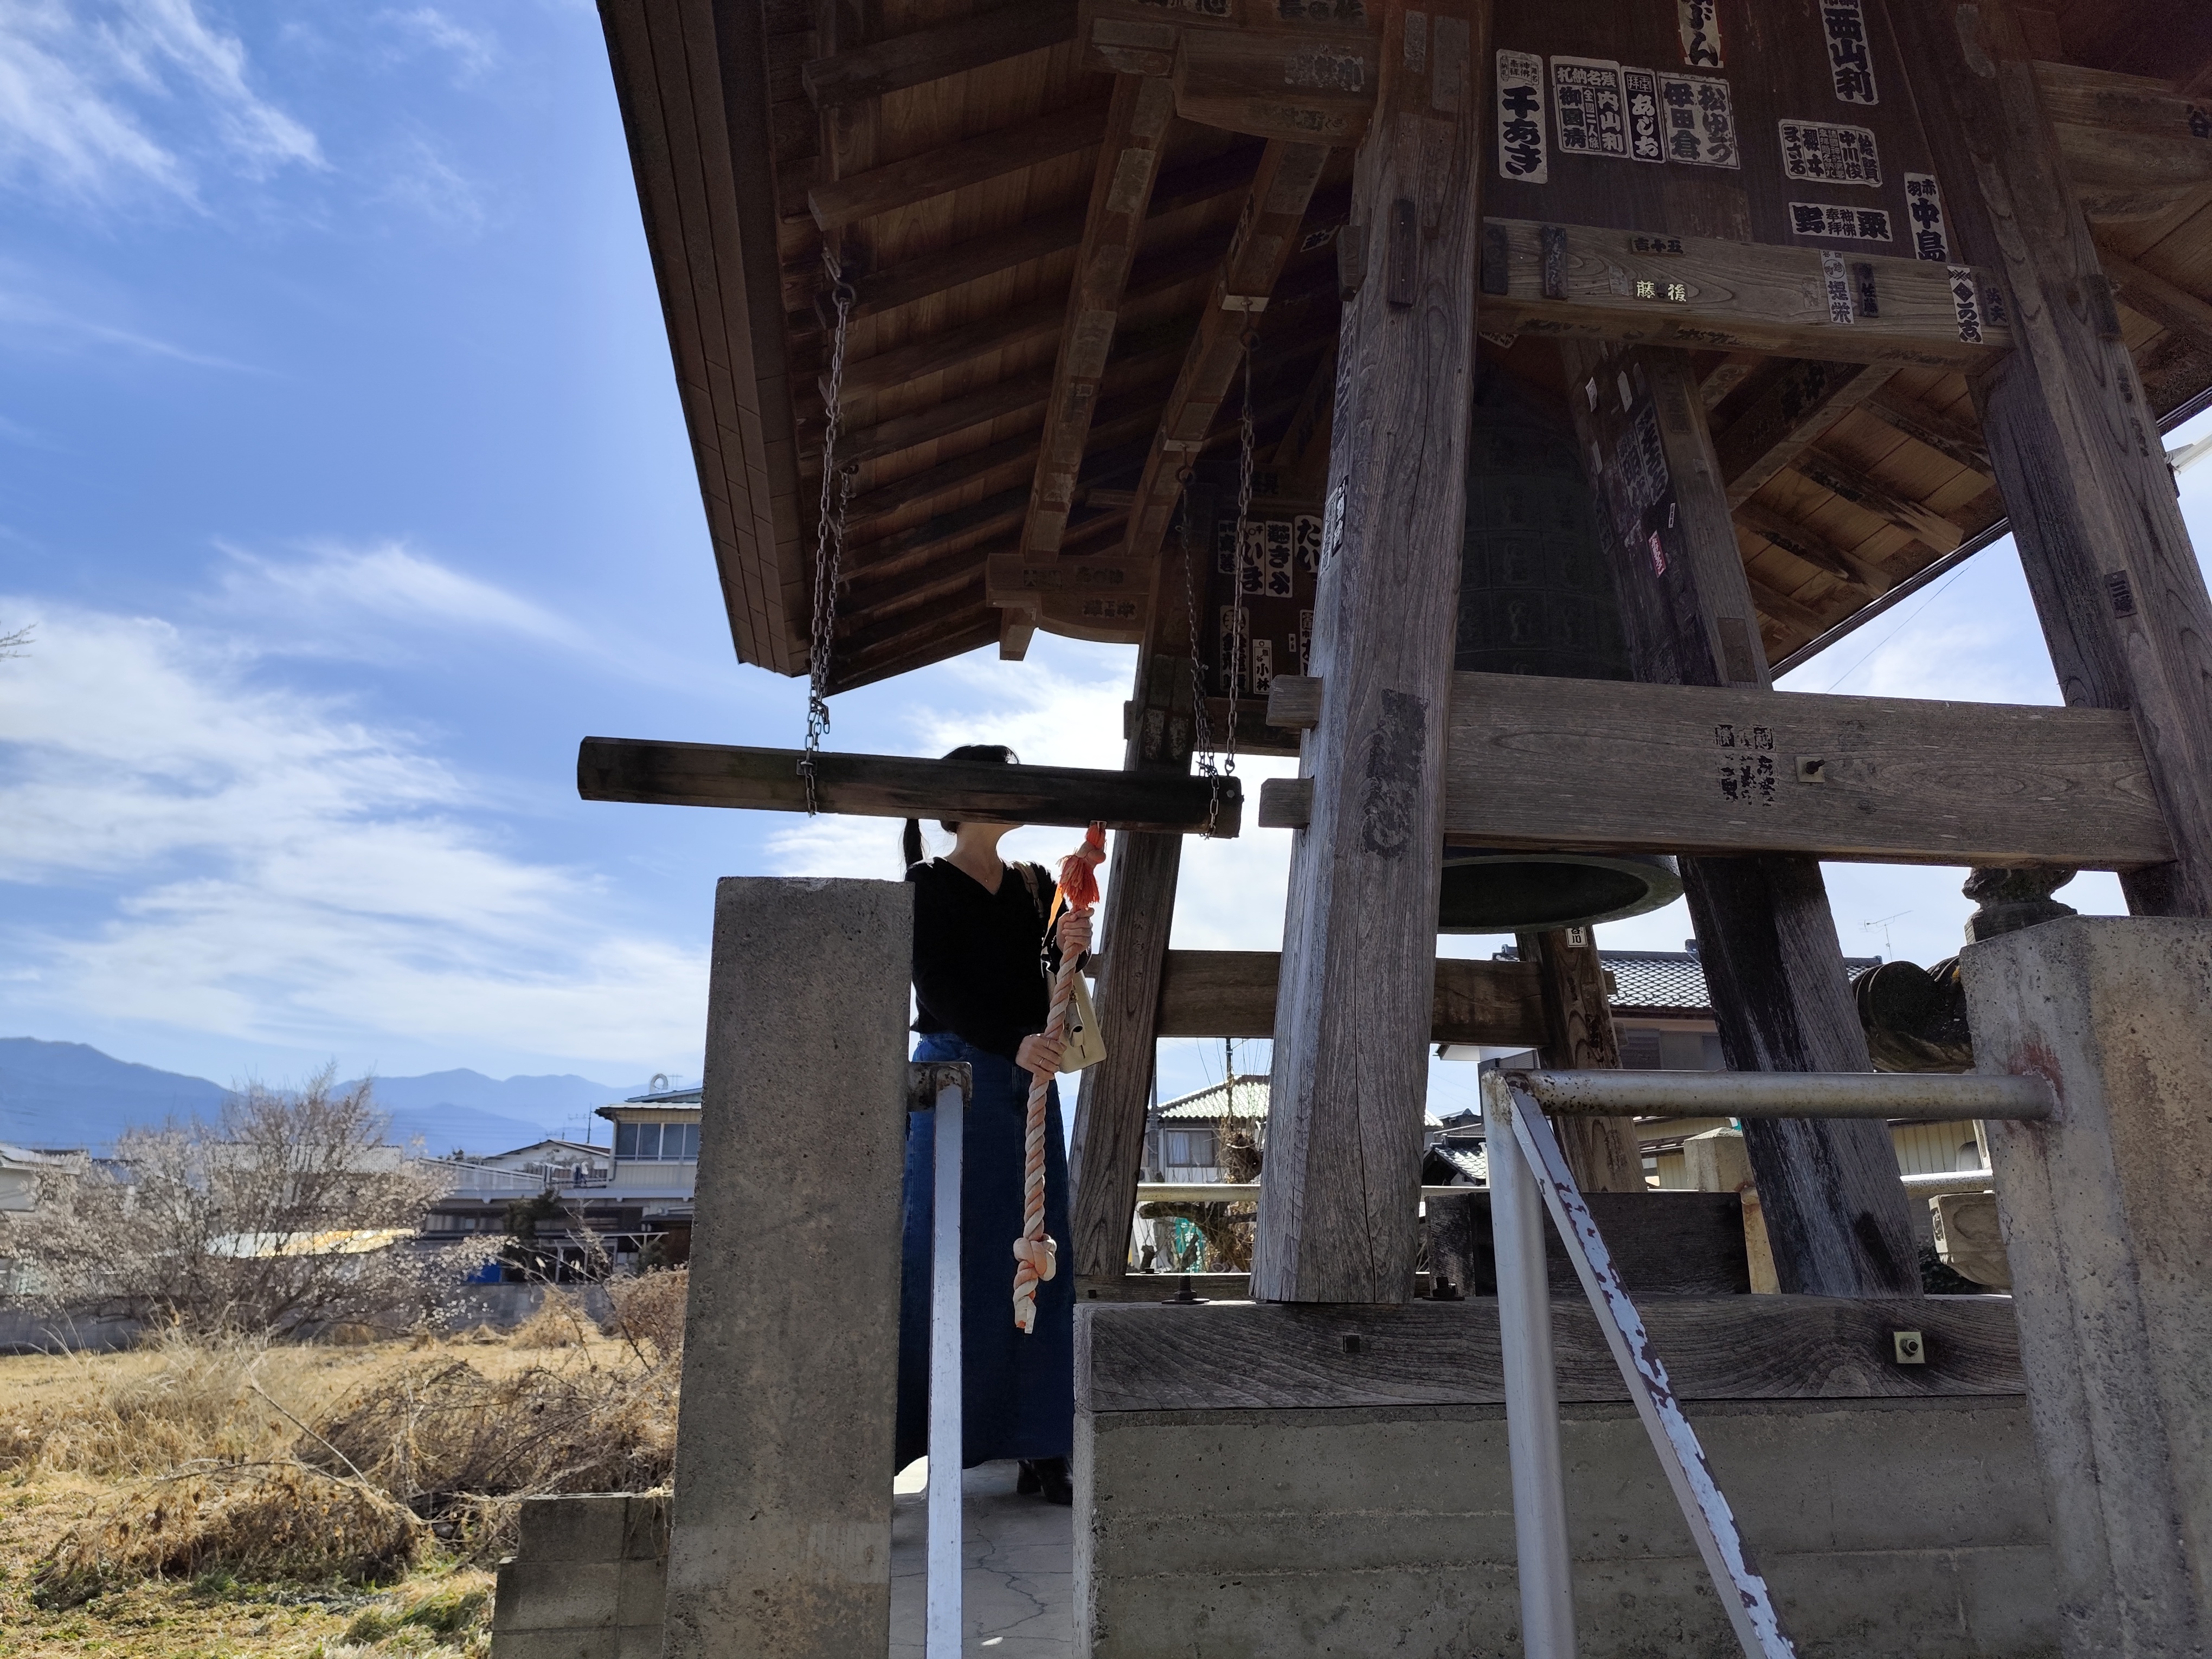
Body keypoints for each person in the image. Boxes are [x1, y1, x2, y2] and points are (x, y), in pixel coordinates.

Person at [893, 744, 1090, 1505]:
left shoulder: (1036, 883)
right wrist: (1013, 1042)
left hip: (1026, 1082)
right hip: (956, 1085)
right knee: (947, 1254)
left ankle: (1042, 1443)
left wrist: (1073, 945)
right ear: (966, 798)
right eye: (1004, 780)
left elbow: (1054, 977)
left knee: (1039, 1255)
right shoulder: (926, 882)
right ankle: (922, 1433)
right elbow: (938, 986)